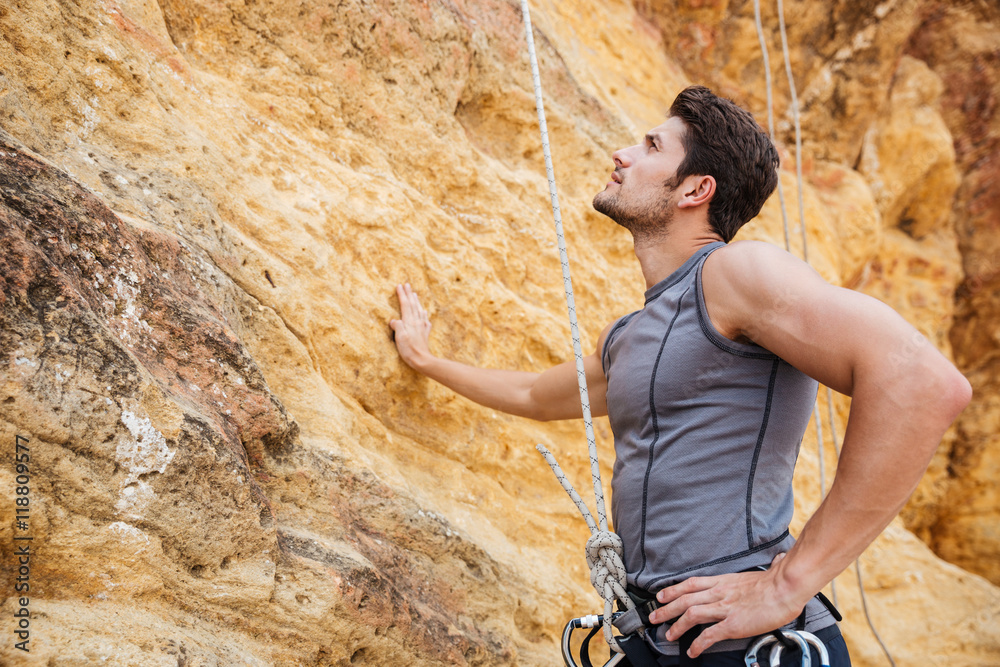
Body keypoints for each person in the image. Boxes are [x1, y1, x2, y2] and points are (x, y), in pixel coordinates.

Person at [388, 85, 971, 665]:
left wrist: (788, 583)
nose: (621, 154)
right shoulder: (632, 334)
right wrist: (426, 361)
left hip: (744, 642)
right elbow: (535, 395)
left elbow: (921, 383)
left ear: (697, 188)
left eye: (650, 146)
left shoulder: (738, 272)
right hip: (659, 635)